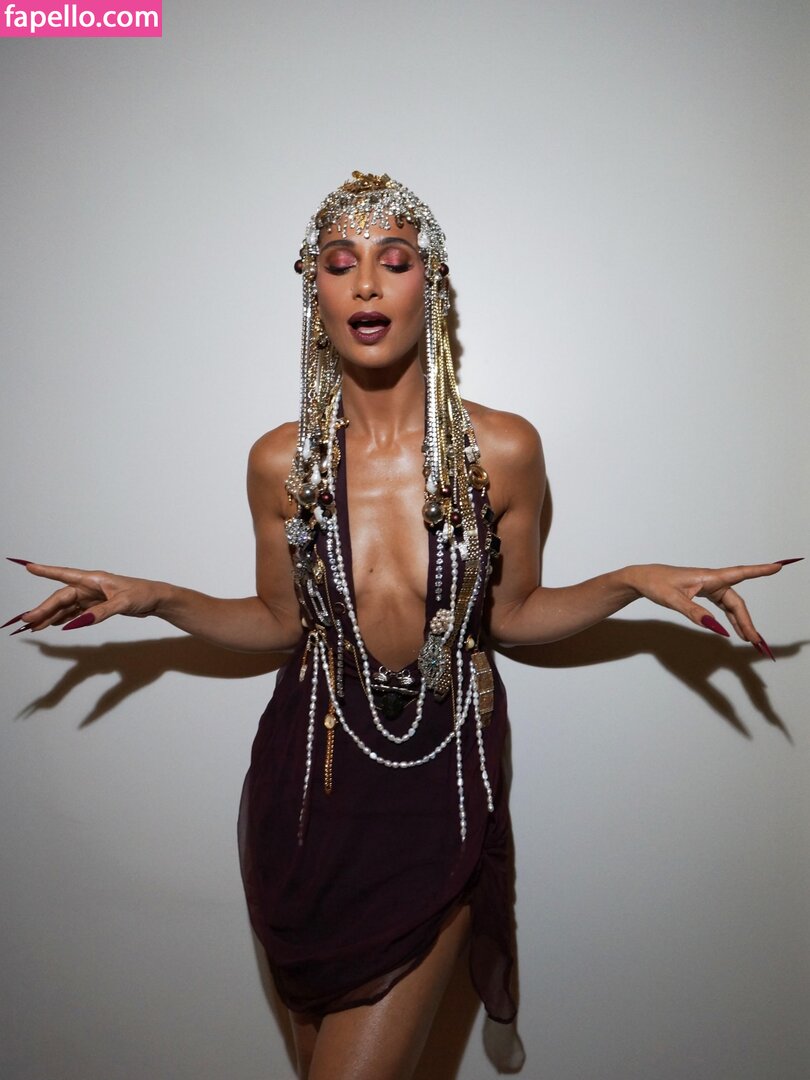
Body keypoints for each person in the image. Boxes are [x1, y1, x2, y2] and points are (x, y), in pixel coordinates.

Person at [6, 172, 798, 1080]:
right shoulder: (280, 461)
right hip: (306, 788)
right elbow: (278, 623)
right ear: (316, 292)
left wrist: (632, 581)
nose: (368, 284)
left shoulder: (504, 449)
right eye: (340, 263)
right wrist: (159, 598)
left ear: (433, 282)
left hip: (439, 787)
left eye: (394, 260)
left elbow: (514, 616)